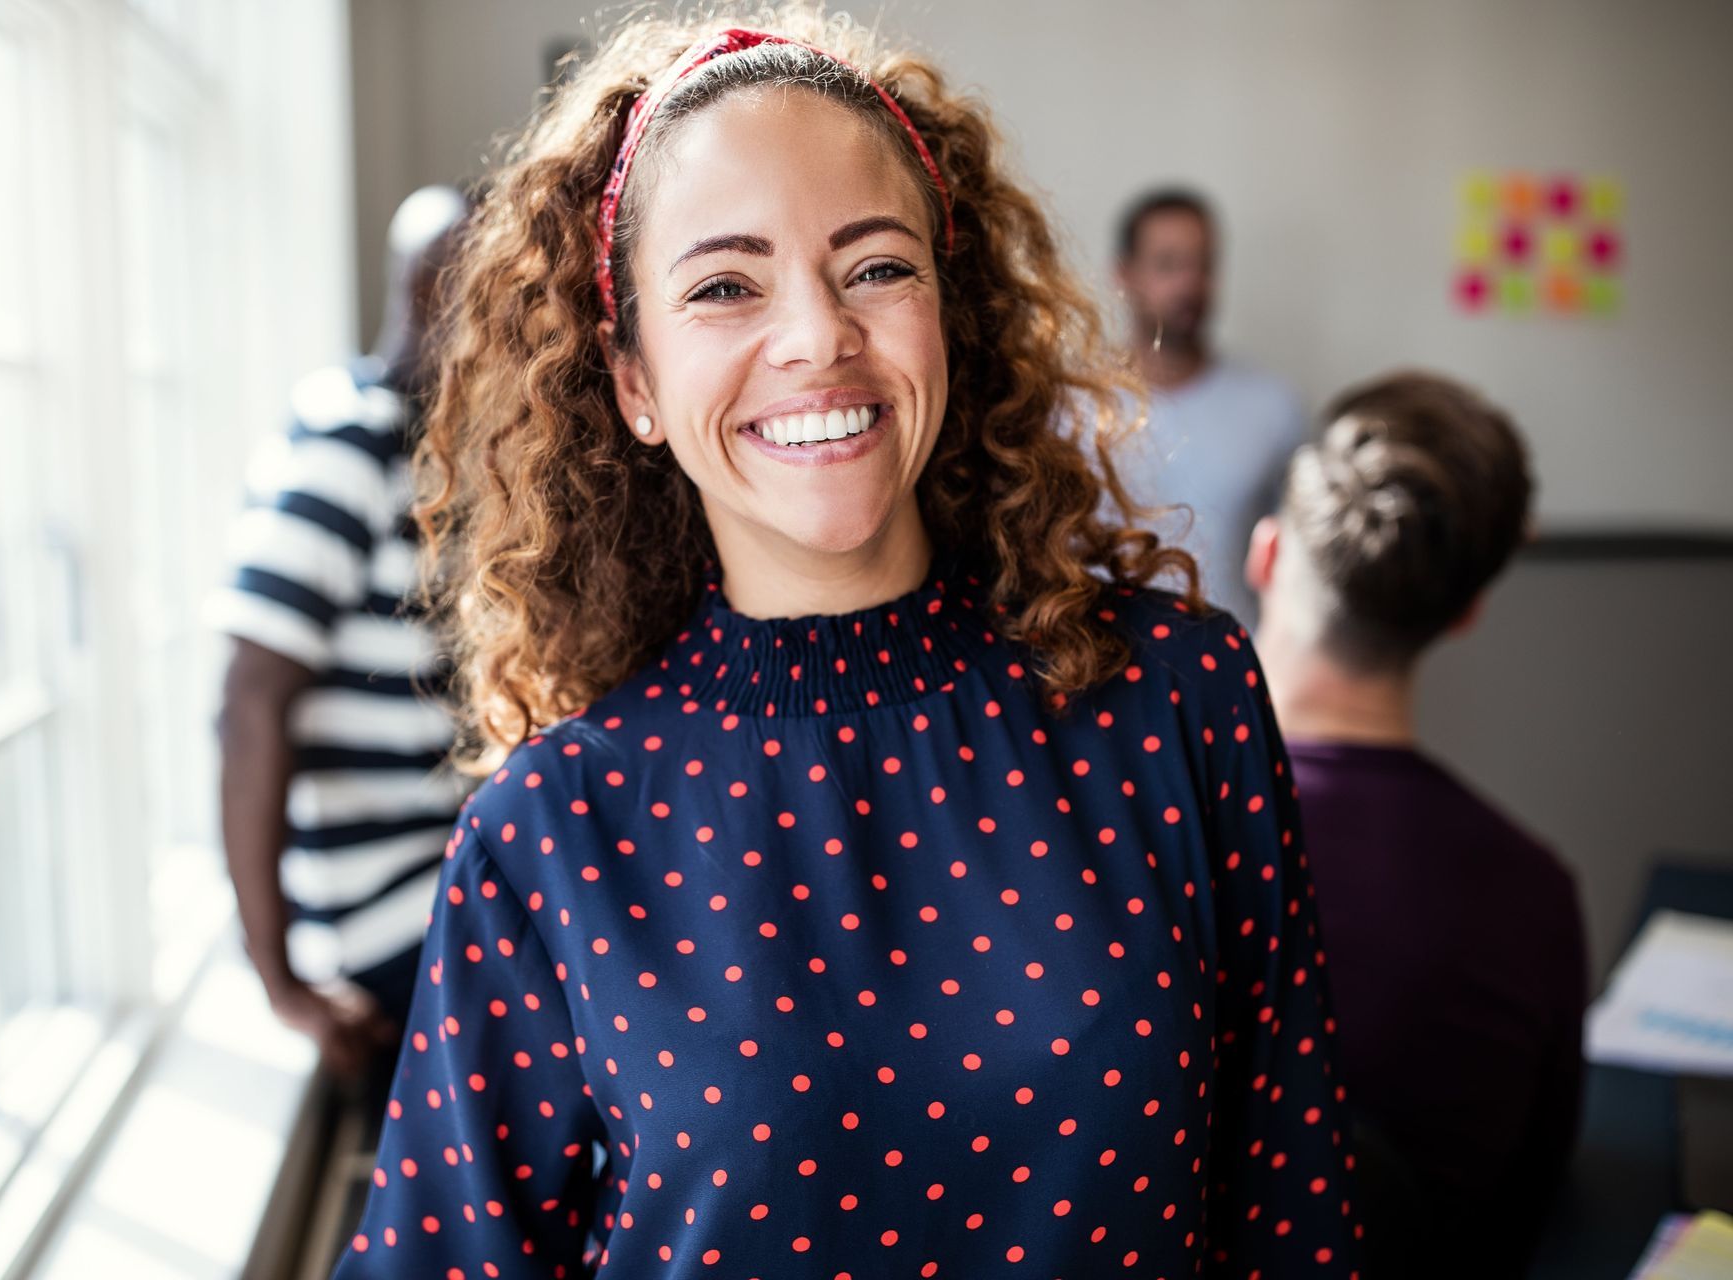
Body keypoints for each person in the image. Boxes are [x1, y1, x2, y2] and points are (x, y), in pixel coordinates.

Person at [334, 11, 1358, 1276]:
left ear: (952, 311)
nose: (818, 335)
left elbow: (1297, 1209)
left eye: (876, 267)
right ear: (635, 380)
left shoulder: (1174, 700)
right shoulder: (552, 830)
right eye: (724, 285)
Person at [1245, 370, 1587, 1277]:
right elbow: (1530, 1222)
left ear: (1267, 557)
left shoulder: (1138, 838)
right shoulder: (1535, 900)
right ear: (1466, 613)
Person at [209, 185, 474, 1082]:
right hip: (384, 911)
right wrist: (280, 983)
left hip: (439, 883)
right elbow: (249, 703)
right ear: (435, 294)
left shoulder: (428, 451)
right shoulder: (346, 440)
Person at [1114, 188, 1306, 625]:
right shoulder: (1069, 409)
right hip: (1101, 677)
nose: (1189, 284)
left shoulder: (1273, 408)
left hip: (1238, 673)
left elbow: (1301, 571)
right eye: (1168, 264)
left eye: (1203, 265)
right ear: (1124, 275)